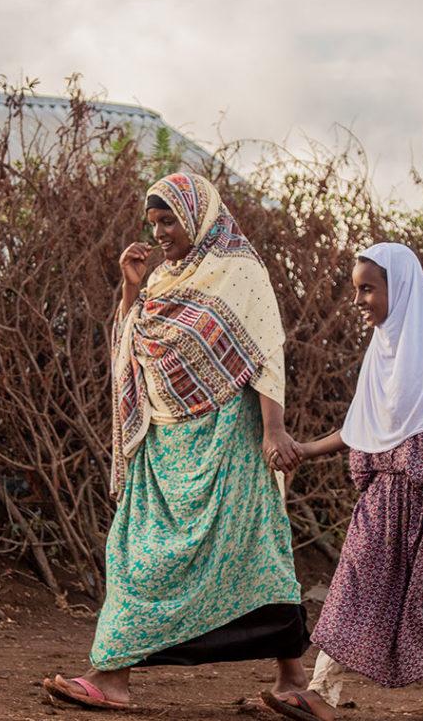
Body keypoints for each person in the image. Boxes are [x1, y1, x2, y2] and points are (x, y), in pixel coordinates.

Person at [43, 172, 308, 710]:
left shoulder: (240, 272)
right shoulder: (162, 279)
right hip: (163, 447)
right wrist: (132, 288)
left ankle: (291, 679)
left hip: (228, 442)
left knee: (256, 550)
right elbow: (130, 351)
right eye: (155, 222)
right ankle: (113, 675)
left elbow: (264, 353)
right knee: (134, 553)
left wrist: (274, 429)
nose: (160, 232)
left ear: (199, 217)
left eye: (170, 220)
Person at [261, 243, 423, 721]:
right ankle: (320, 692)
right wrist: (303, 450)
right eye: (355, 290)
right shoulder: (379, 354)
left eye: (368, 289)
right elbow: (360, 428)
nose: (359, 299)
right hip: (381, 497)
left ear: (397, 289)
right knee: (353, 587)